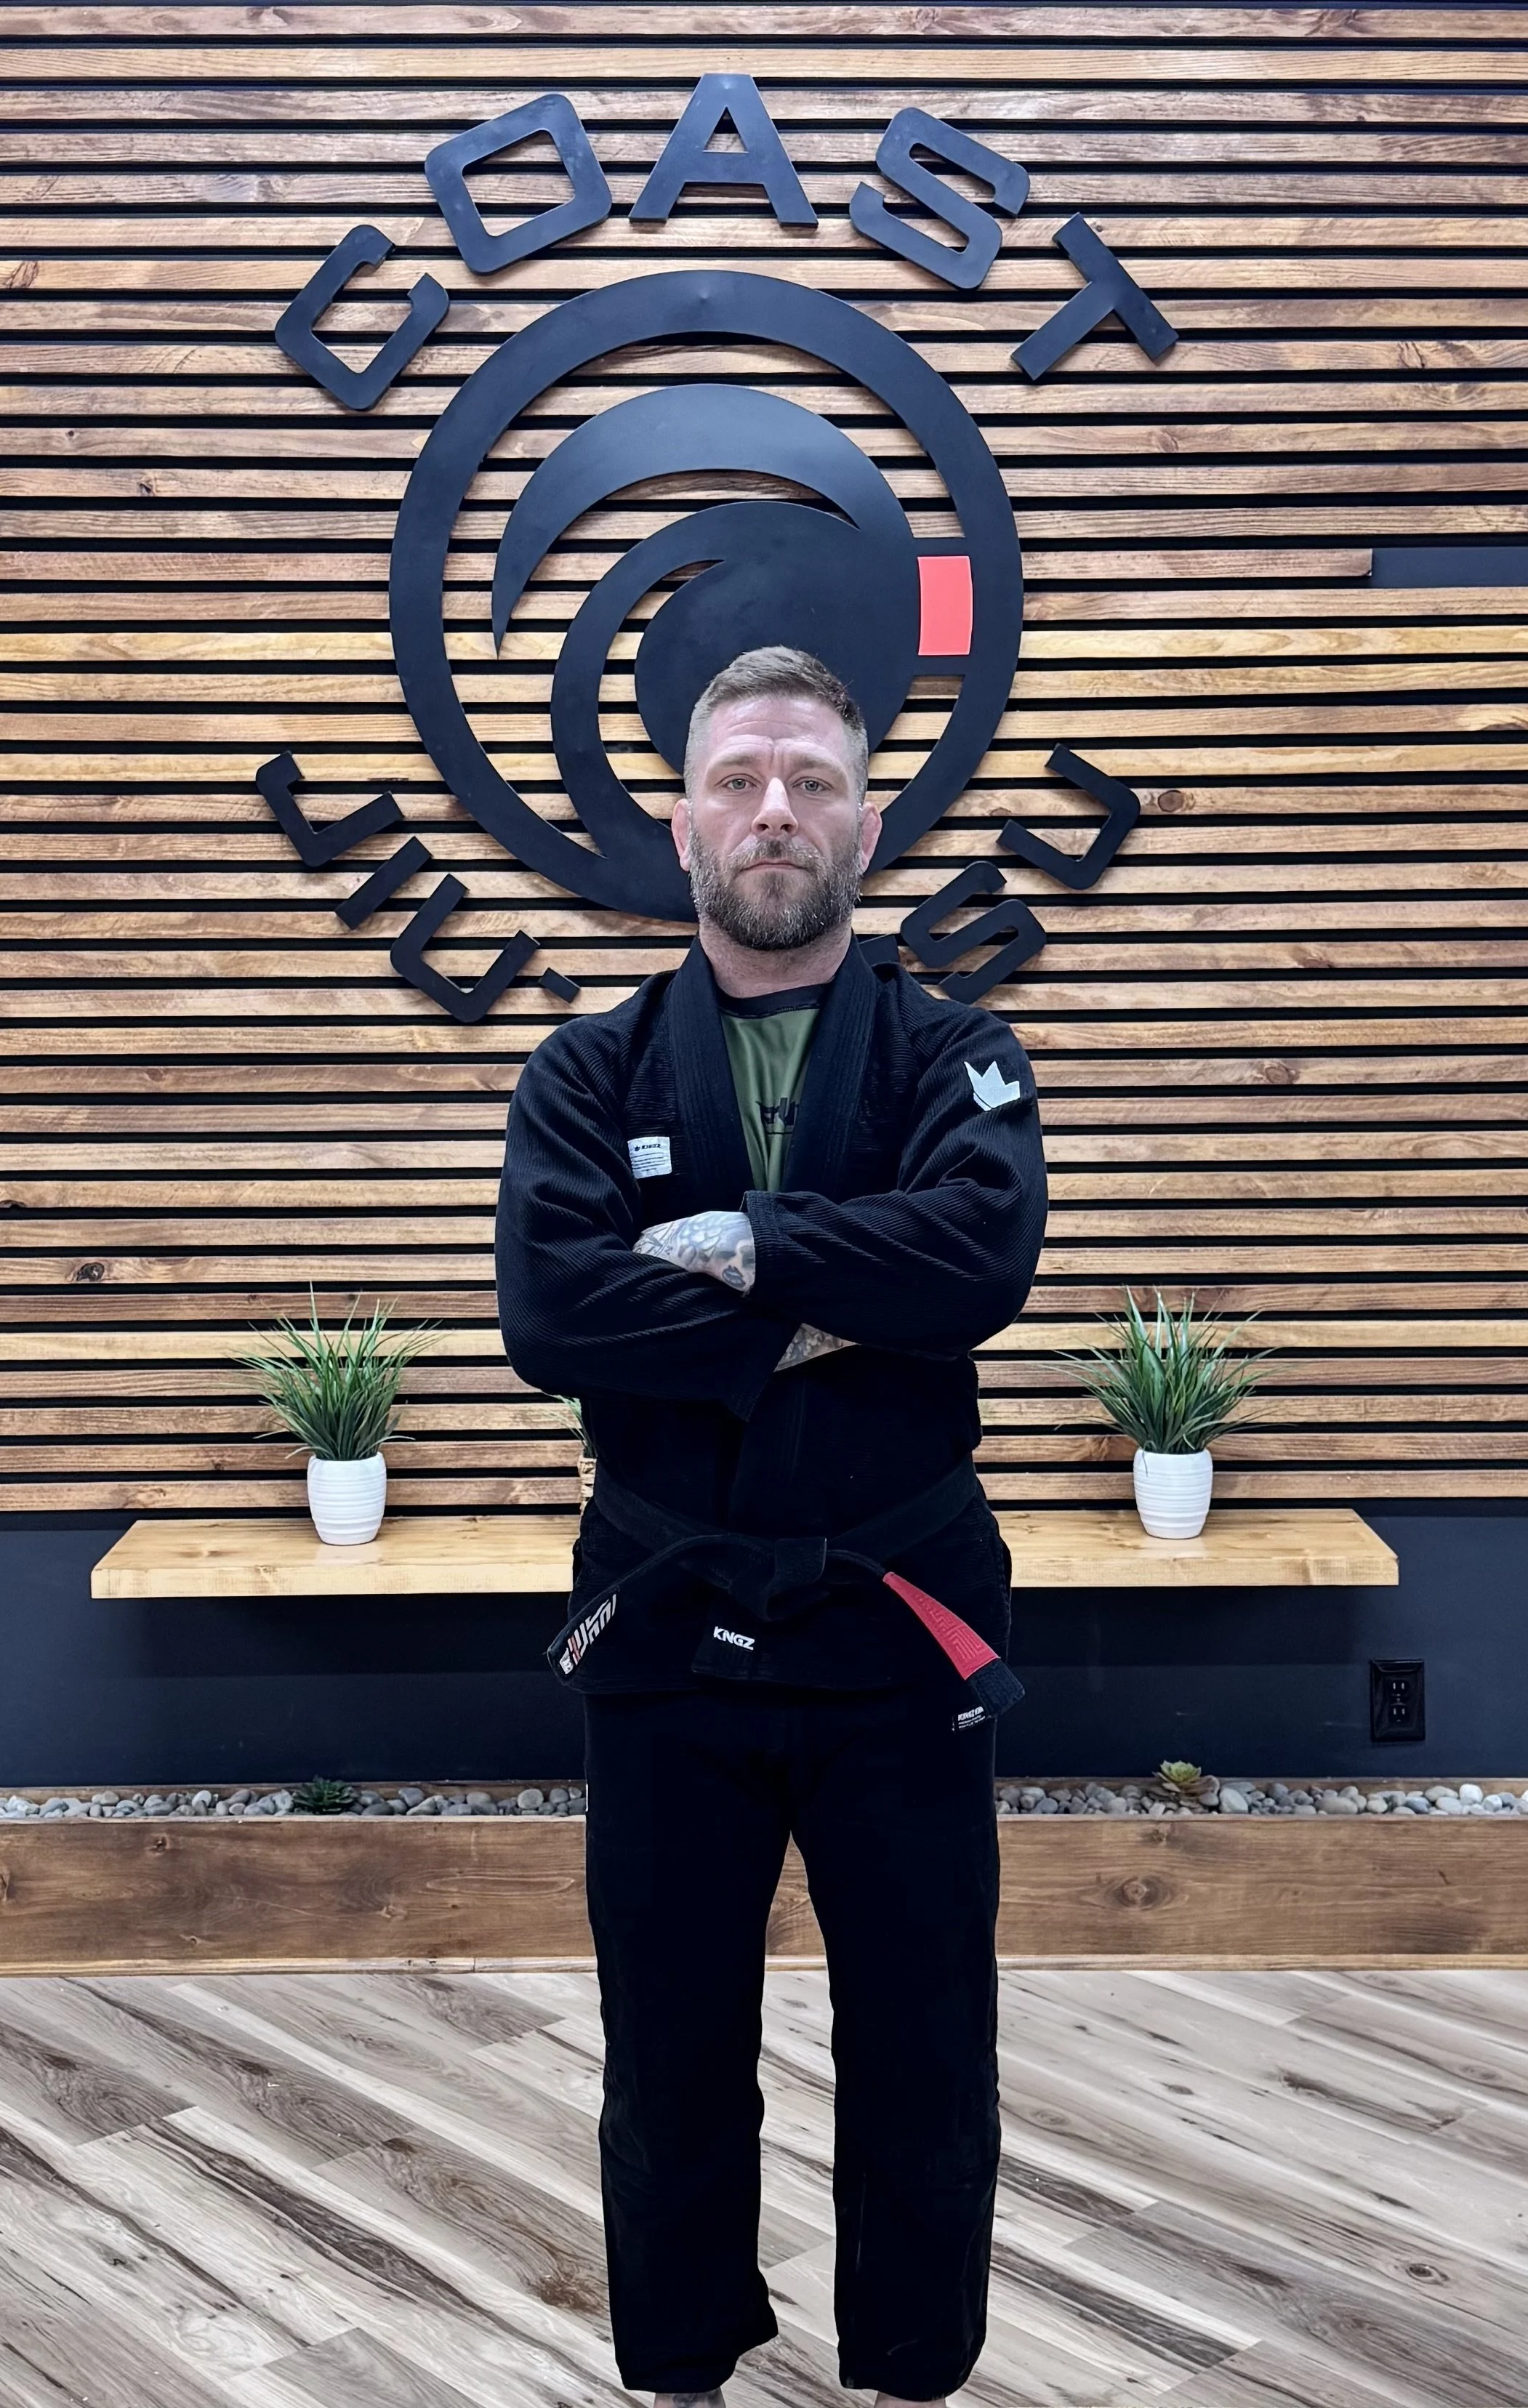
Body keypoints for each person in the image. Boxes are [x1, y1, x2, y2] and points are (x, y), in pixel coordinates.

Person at [495, 646, 1048, 2406]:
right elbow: (550, 1315)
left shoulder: (957, 1051)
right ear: (681, 826)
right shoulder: (586, 1072)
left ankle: (906, 2366)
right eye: (738, 779)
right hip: (665, 1621)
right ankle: (675, 2365)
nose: (774, 812)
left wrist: (738, 1254)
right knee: (669, 2041)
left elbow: (982, 1262)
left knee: (921, 2035)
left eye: (809, 780)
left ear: (867, 819)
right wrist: (837, 1294)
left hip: (898, 1608)